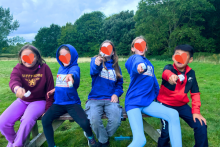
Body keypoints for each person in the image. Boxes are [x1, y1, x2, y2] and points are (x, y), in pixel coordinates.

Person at [125, 36, 182, 147]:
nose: (140, 47)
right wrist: (140, 67)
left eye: (143, 45)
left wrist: (159, 98)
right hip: (133, 104)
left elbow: (155, 84)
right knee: (140, 141)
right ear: (133, 49)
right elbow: (136, 64)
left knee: (173, 114)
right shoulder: (134, 59)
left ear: (146, 47)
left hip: (148, 103)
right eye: (137, 45)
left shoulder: (150, 65)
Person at [42, 44, 96, 147]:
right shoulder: (60, 69)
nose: (64, 58)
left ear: (73, 56)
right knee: (45, 120)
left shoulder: (75, 68)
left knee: (84, 123)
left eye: (67, 55)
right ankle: (51, 145)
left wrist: (71, 76)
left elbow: (74, 73)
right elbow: (61, 83)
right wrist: (54, 89)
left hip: (72, 103)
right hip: (58, 103)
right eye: (61, 56)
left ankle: (90, 137)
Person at [0, 45, 54, 147]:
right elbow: (14, 80)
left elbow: (50, 90)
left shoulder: (45, 68)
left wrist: (48, 109)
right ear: (20, 57)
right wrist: (17, 88)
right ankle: (13, 141)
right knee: (2, 122)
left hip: (39, 101)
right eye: (24, 56)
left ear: (37, 57)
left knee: (27, 120)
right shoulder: (18, 68)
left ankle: (18, 145)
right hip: (23, 101)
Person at [157, 44, 208, 147]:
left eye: (184, 56)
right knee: (166, 131)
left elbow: (195, 94)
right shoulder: (169, 68)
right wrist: (171, 77)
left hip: (181, 105)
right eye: (177, 55)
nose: (180, 58)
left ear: (190, 59)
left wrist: (196, 112)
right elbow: (166, 73)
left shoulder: (191, 74)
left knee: (201, 124)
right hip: (164, 104)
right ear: (173, 57)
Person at [85, 40, 123, 147]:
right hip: (95, 99)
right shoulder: (95, 61)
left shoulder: (116, 67)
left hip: (110, 99)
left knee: (116, 120)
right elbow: (93, 71)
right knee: (94, 119)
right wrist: (97, 64)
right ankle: (105, 142)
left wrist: (116, 94)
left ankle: (102, 139)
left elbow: (119, 84)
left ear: (113, 52)